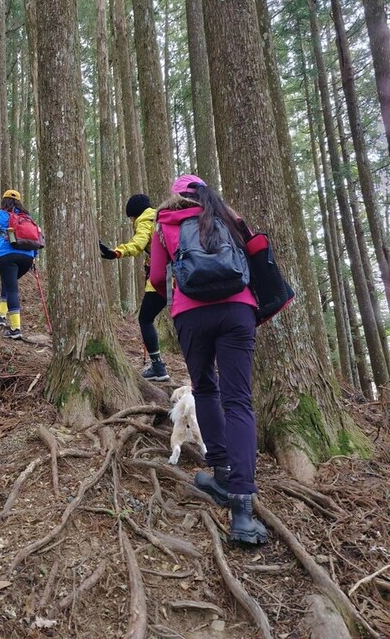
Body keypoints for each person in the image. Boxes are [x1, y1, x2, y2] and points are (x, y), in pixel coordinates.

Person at [149, 174, 268, 546]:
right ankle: (243, 508)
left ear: (175, 195)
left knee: (205, 388)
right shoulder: (228, 216)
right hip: (238, 311)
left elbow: (155, 278)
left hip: (191, 315)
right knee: (239, 401)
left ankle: (219, 471)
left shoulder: (164, 222)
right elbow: (257, 253)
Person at [100, 193, 170, 382]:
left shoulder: (145, 220)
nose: (132, 220)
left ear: (135, 214)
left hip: (164, 278)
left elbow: (138, 244)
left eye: (131, 217)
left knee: (145, 319)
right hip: (180, 276)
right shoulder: (162, 217)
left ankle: (157, 367)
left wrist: (117, 252)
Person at [0, 189, 37, 341]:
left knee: (11, 288)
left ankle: (15, 328)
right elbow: (34, 238)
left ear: (3, 201)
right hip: (27, 257)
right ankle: (1, 316)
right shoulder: (26, 217)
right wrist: (34, 258)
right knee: (9, 283)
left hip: (7, 255)